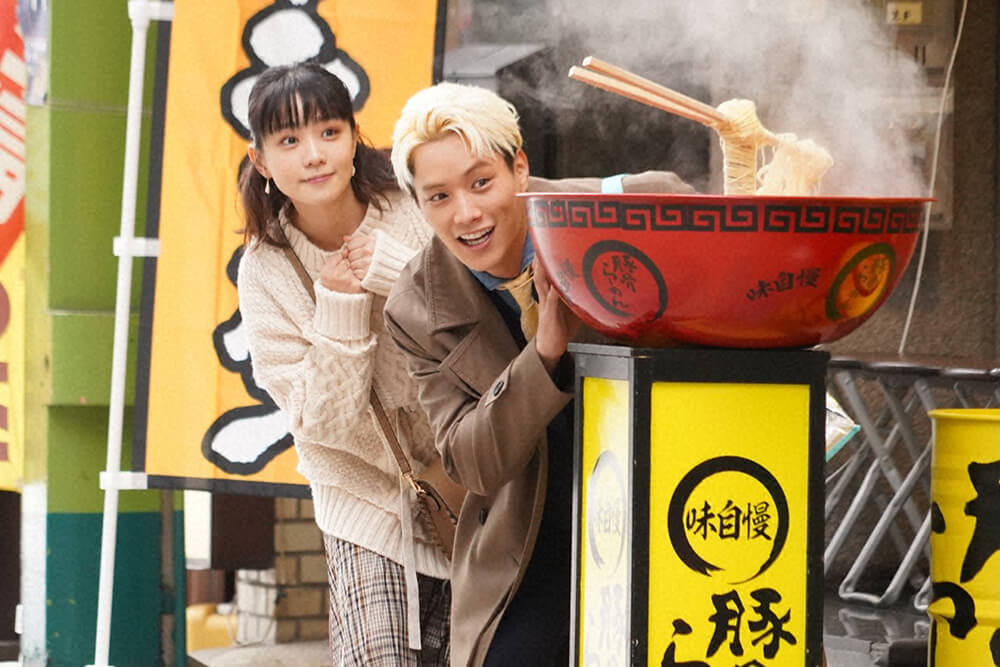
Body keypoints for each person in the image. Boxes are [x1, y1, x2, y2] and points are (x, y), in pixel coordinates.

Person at [384, 81, 694, 667]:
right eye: (439, 196)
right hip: (530, 537)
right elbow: (473, 463)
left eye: (481, 182)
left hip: (662, 506)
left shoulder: (598, 216)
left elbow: (680, 199)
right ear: (419, 205)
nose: (467, 213)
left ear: (519, 168)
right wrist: (545, 353)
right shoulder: (416, 306)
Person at [236, 62, 450, 665]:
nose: (314, 155)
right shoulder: (264, 270)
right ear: (260, 160)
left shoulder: (415, 210)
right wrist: (340, 307)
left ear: (355, 137)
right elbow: (323, 423)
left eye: (329, 132)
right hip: (361, 503)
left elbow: (474, 333)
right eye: (289, 140)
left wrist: (396, 273)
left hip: (465, 484)